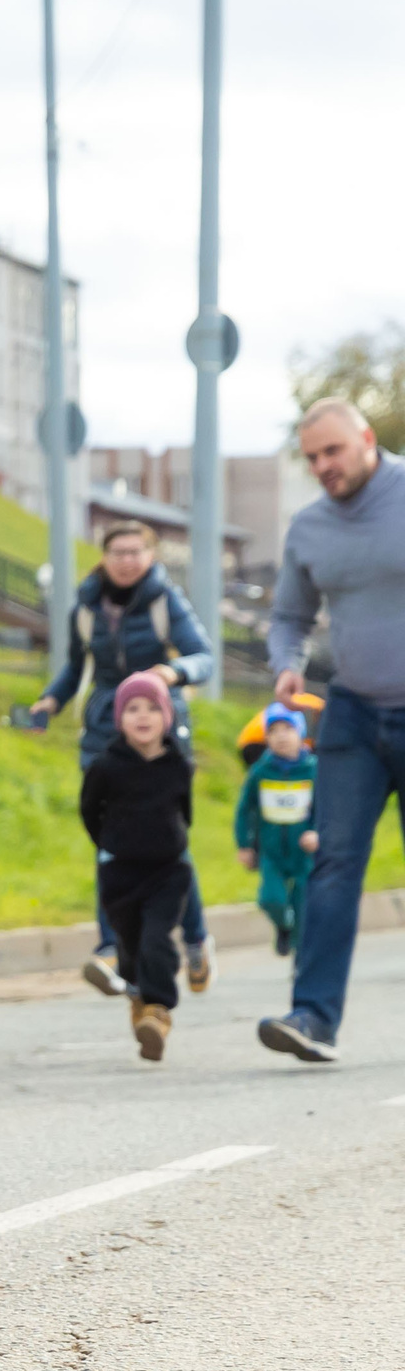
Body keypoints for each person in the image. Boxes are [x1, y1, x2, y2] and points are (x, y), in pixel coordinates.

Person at [259, 398, 405, 1064]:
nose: (322, 466)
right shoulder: (309, 528)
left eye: (333, 451)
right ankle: (312, 1017)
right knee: (333, 865)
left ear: (366, 441)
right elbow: (290, 616)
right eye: (312, 456)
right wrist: (285, 665)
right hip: (351, 712)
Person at [30, 520, 217, 999]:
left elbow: (203, 656)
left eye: (137, 551)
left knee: (168, 845)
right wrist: (51, 700)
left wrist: (172, 672)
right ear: (105, 556)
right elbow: (75, 665)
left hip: (159, 737)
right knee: (110, 844)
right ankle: (111, 948)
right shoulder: (87, 604)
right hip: (105, 736)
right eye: (119, 552)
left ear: (151, 555)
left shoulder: (163, 601)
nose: (128, 560)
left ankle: (195, 940)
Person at [79, 671, 197, 1062]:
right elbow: (89, 812)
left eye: (152, 708)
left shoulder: (179, 766)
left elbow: (185, 813)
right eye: (132, 708)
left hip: (168, 871)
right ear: (119, 718)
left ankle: (158, 1011)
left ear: (167, 715)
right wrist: (111, 844)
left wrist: (172, 844)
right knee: (130, 946)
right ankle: (138, 997)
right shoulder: (106, 767)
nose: (143, 716)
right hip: (120, 874)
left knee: (157, 939)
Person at [234, 703, 319, 958]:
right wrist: (244, 845)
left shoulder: (314, 769)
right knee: (271, 898)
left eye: (287, 729)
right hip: (271, 851)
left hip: (303, 851)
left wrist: (317, 832)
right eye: (273, 731)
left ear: (300, 733)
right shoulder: (260, 771)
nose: (281, 736)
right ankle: (283, 926)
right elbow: (244, 810)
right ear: (266, 738)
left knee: (302, 905)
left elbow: (326, 808)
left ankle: (300, 957)